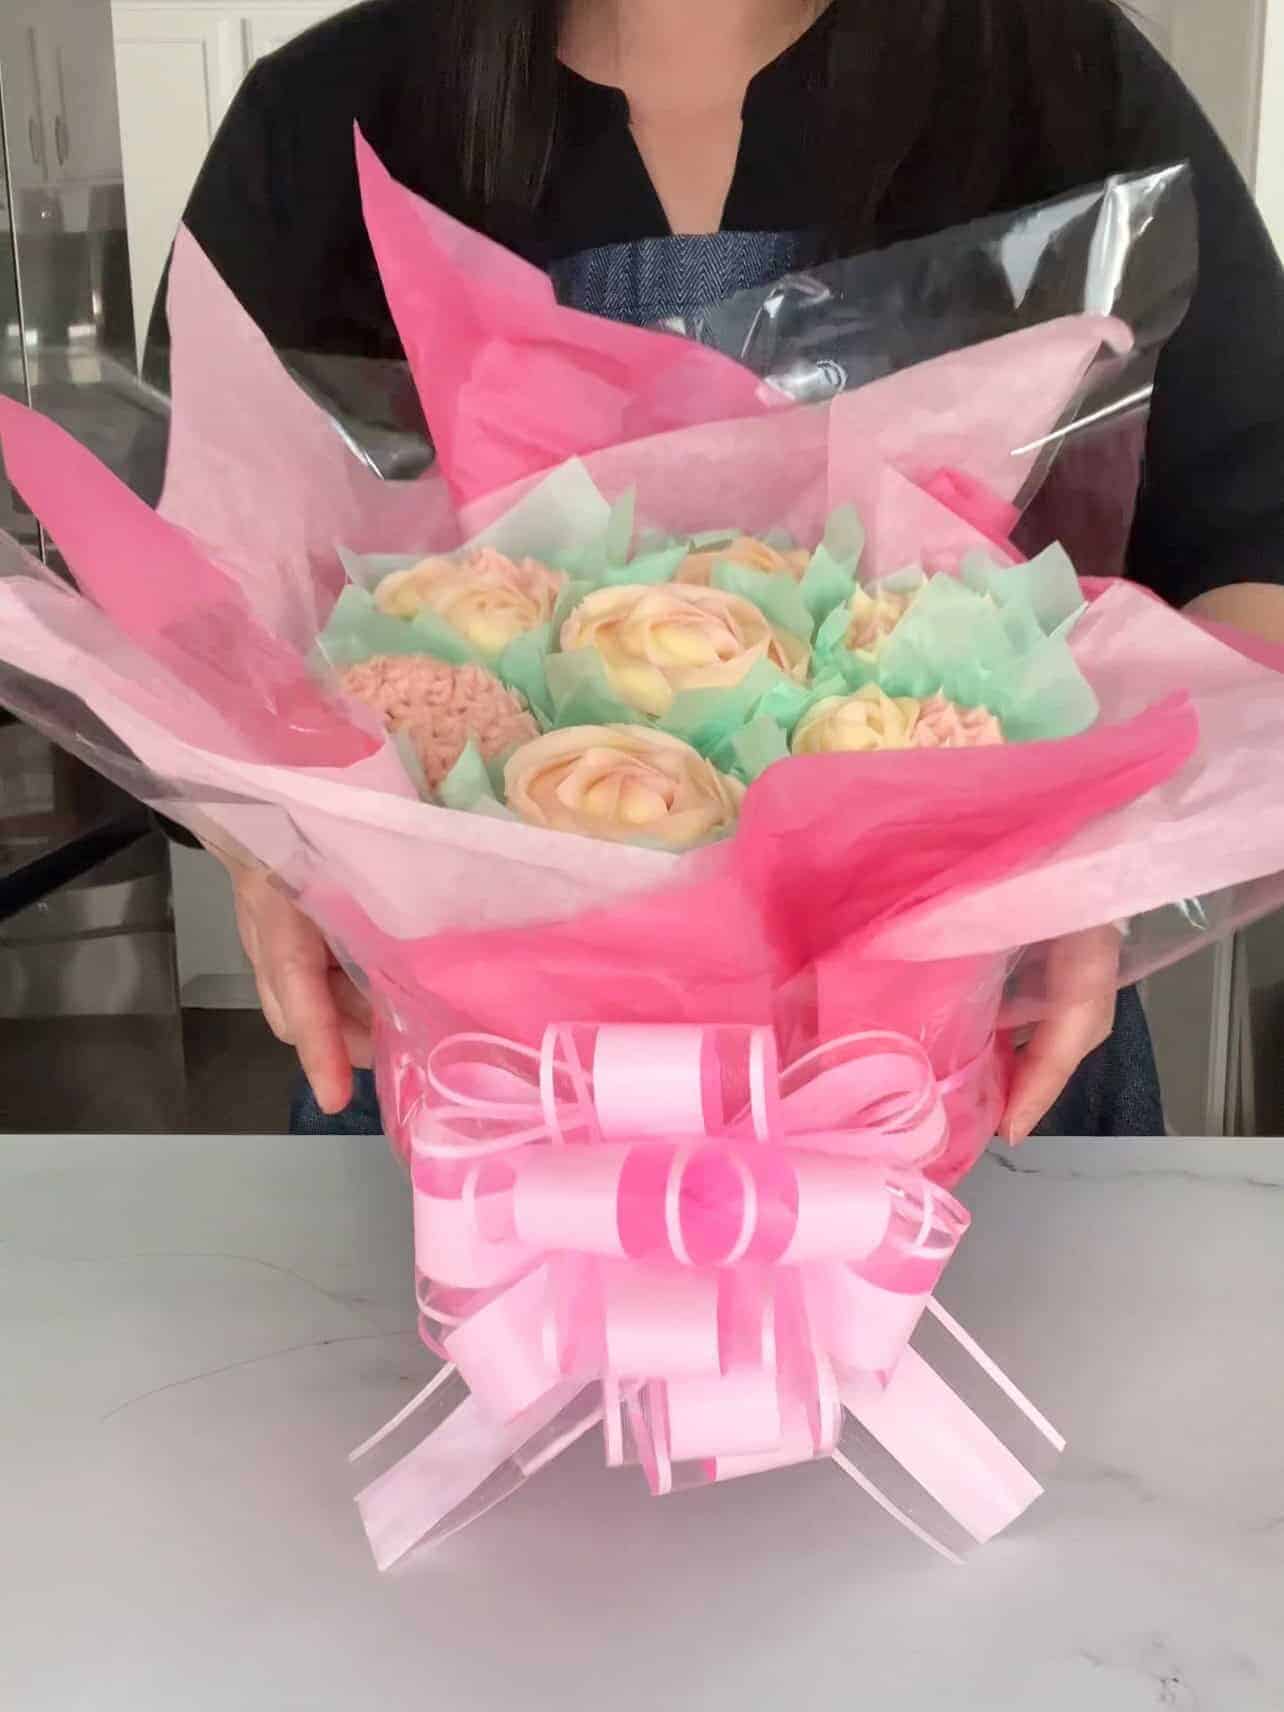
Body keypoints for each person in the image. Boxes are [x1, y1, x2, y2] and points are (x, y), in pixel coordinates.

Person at [152, 0, 1284, 1140]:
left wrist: (1088, 862)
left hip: (971, 1092)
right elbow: (183, 622)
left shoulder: (1065, 77)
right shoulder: (323, 119)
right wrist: (264, 841)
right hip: (471, 1107)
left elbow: (1258, 549)